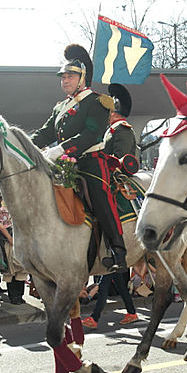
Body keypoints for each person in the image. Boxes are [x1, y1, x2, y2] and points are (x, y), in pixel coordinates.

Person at [32, 44, 126, 271]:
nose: (65, 80)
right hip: (64, 164)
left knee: (100, 195)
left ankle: (118, 250)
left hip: (91, 161)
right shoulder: (60, 107)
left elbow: (90, 134)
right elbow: (45, 133)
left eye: (70, 76)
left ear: (82, 78)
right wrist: (24, 145)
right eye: (62, 76)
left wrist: (60, 149)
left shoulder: (98, 102)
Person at [105, 84, 138, 160]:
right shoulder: (114, 129)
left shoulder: (123, 130)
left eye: (109, 111)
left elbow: (119, 158)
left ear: (114, 113)